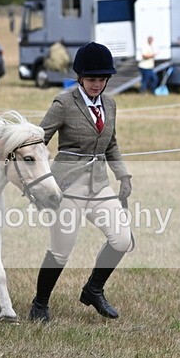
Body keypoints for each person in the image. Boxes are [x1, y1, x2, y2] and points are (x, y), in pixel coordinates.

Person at [29, 41, 133, 322]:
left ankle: (93, 289)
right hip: (68, 187)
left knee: (122, 239)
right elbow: (39, 141)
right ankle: (40, 304)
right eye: (91, 79)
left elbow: (111, 143)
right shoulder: (64, 103)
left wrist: (122, 174)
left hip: (99, 184)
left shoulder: (110, 104)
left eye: (101, 79)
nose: (96, 84)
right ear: (80, 78)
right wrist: (40, 184)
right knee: (61, 252)